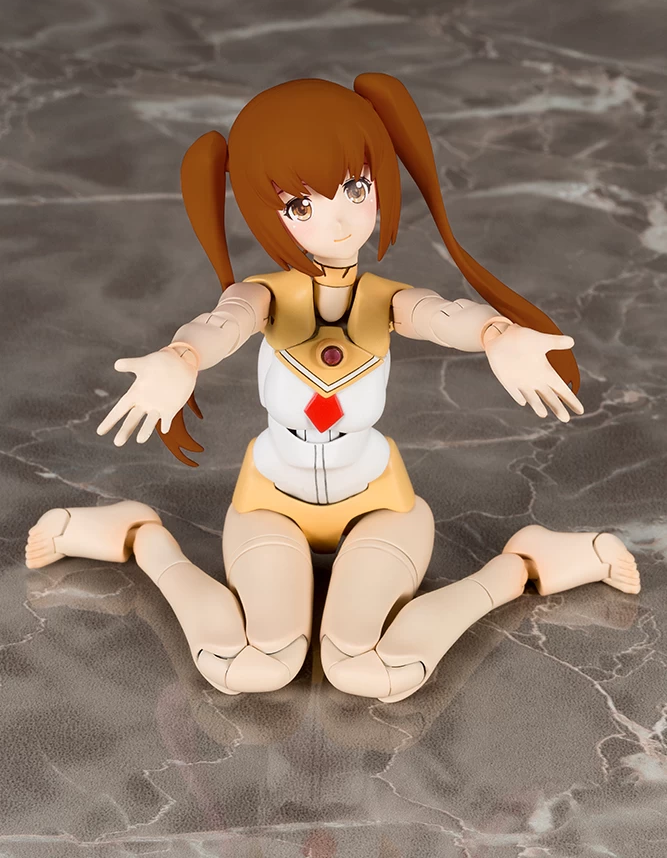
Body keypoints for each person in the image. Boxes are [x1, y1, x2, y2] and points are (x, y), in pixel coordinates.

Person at [25, 74, 640, 703]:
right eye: (301, 205)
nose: (339, 219)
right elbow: (221, 324)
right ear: (267, 211)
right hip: (272, 501)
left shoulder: (383, 300)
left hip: (377, 500)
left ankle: (525, 564)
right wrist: (181, 357)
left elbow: (442, 314)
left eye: (355, 188)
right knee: (248, 665)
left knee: (373, 669)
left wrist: (495, 333)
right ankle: (140, 537)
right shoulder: (263, 295)